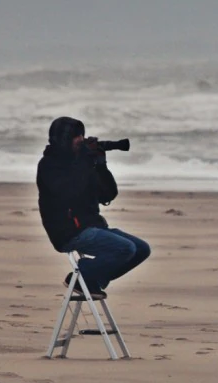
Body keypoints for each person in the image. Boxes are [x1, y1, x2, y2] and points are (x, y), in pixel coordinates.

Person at [36, 116, 150, 298]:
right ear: (63, 139)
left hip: (92, 225)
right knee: (125, 248)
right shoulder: (49, 165)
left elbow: (108, 195)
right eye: (76, 136)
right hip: (68, 232)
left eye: (81, 135)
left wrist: (101, 165)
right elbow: (69, 193)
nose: (81, 140)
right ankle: (84, 274)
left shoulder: (82, 162)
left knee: (142, 249)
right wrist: (84, 161)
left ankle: (91, 281)